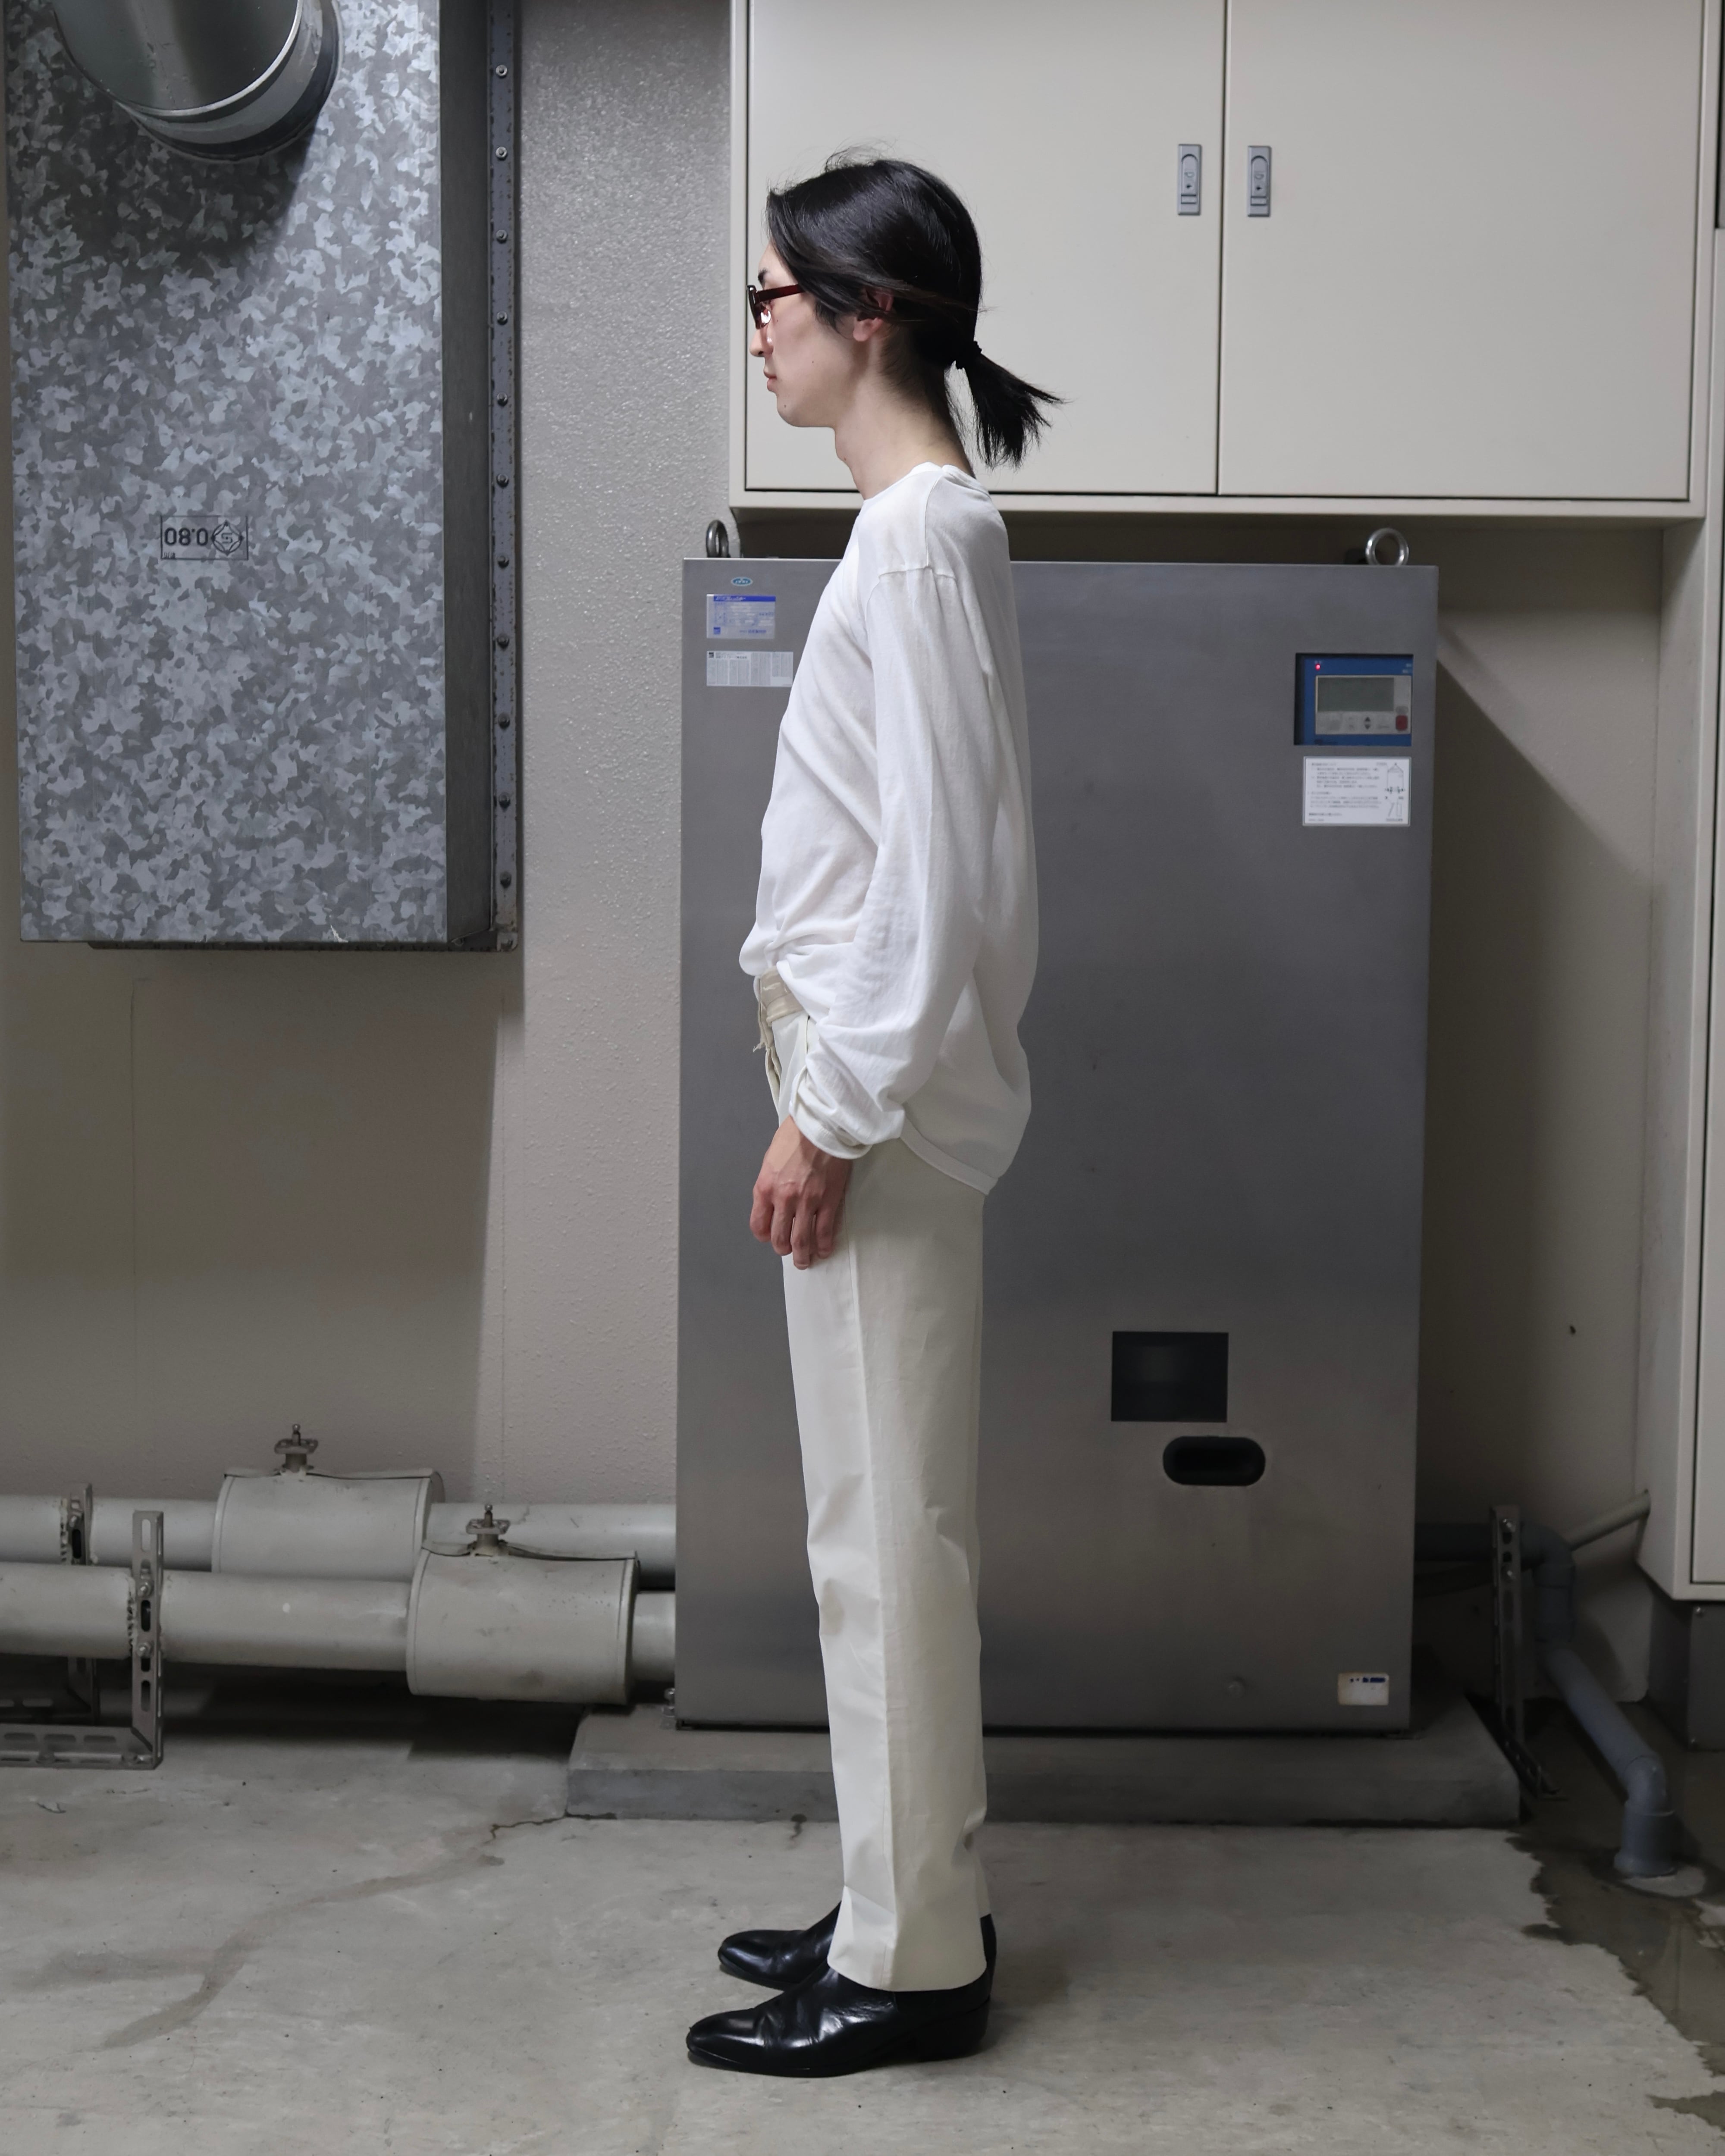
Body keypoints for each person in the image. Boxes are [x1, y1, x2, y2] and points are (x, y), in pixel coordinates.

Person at [683, 157, 1055, 2079]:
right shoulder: (917, 531)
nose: (756, 333)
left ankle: (912, 1968)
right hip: (875, 1093)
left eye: (772, 299)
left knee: (886, 1541)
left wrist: (828, 1115)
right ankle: (901, 1898)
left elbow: (937, 878)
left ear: (867, 311)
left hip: (877, 1113)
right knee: (877, 1528)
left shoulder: (915, 540)